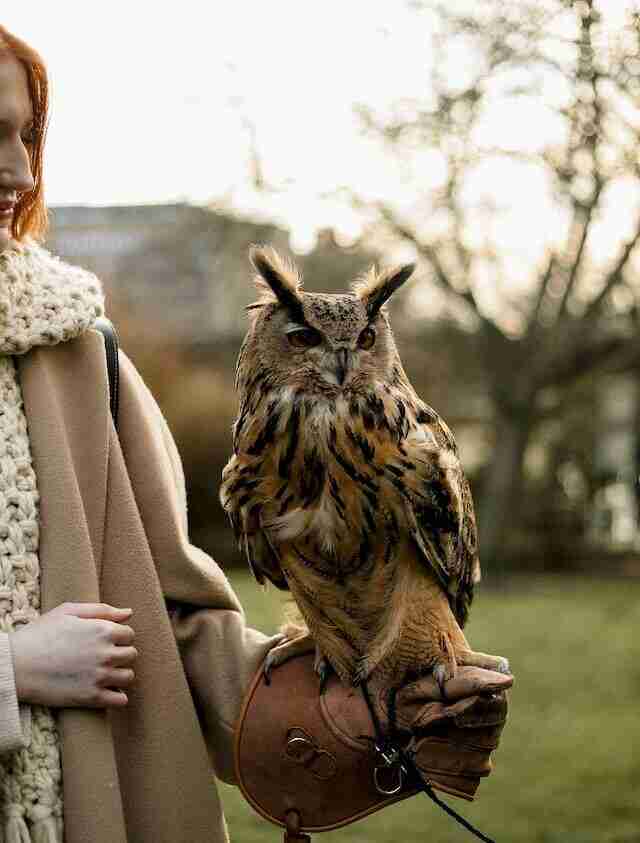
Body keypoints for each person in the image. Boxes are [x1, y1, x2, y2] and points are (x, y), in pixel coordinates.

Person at [0, 24, 511, 843]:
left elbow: (165, 622)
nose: (21, 171)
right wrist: (11, 672)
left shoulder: (71, 355)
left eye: (28, 134)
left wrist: (338, 708)